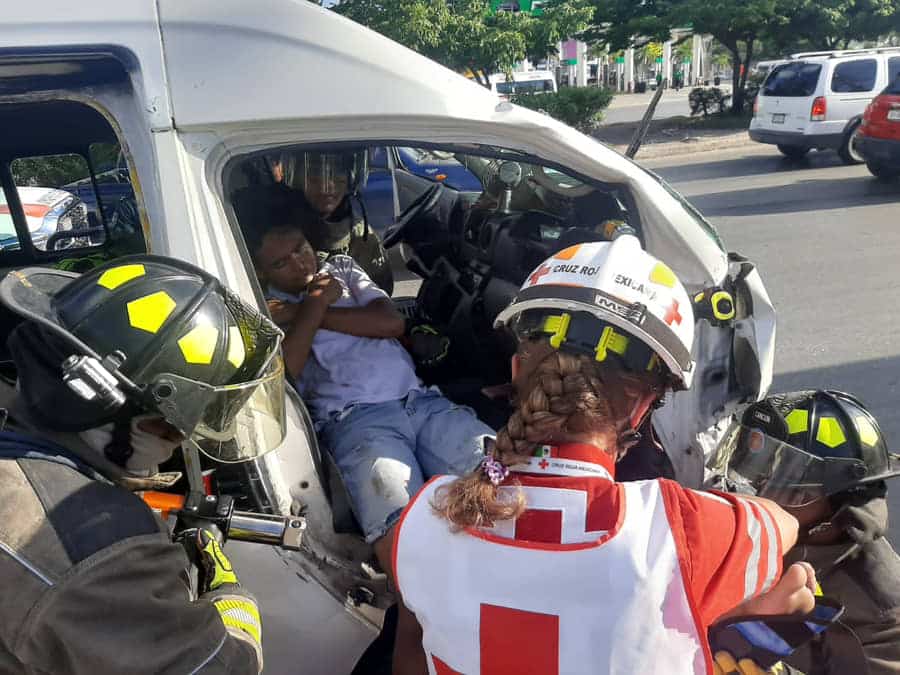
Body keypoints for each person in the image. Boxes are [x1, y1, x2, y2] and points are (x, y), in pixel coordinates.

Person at [391, 236, 815, 675]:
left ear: (516, 370)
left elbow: (409, 657)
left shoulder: (428, 512)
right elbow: (783, 524)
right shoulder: (678, 526)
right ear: (641, 405)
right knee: (793, 591)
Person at [0, 255, 285, 673]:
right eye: (169, 430)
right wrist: (229, 599)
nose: (175, 448)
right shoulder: (98, 550)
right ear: (94, 402)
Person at [249, 214, 493, 578]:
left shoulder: (343, 269)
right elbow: (288, 370)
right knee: (396, 515)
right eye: (281, 262)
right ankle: (423, 608)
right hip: (357, 422)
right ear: (264, 274)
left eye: (301, 249)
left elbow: (390, 324)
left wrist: (304, 312)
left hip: (420, 401)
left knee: (494, 474)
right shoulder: (263, 304)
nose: (300, 263)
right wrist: (315, 303)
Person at [718, 390, 900, 675]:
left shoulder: (881, 607)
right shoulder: (753, 535)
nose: (757, 497)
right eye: (754, 478)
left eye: (786, 489)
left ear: (840, 504)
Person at [259, 151, 393, 294]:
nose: (327, 185)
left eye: (338, 171)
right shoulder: (273, 227)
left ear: (350, 176)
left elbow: (381, 292)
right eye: (314, 173)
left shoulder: (357, 229)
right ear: (296, 175)